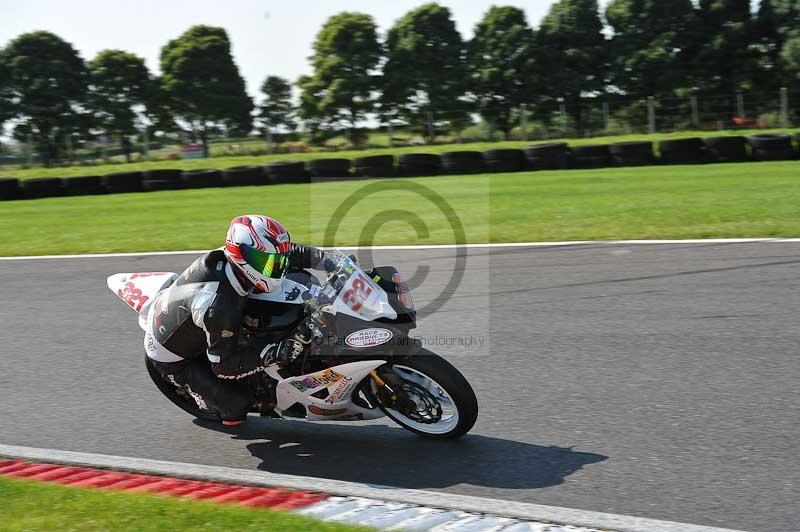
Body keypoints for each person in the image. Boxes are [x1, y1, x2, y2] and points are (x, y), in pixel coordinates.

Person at [143, 215, 328, 425]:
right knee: (236, 407)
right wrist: (276, 352)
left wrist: (327, 260)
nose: (276, 268)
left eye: (277, 261)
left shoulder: (242, 262)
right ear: (241, 255)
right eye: (267, 264)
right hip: (173, 355)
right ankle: (205, 395)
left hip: (201, 317)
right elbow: (224, 366)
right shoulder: (219, 307)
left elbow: (287, 253)